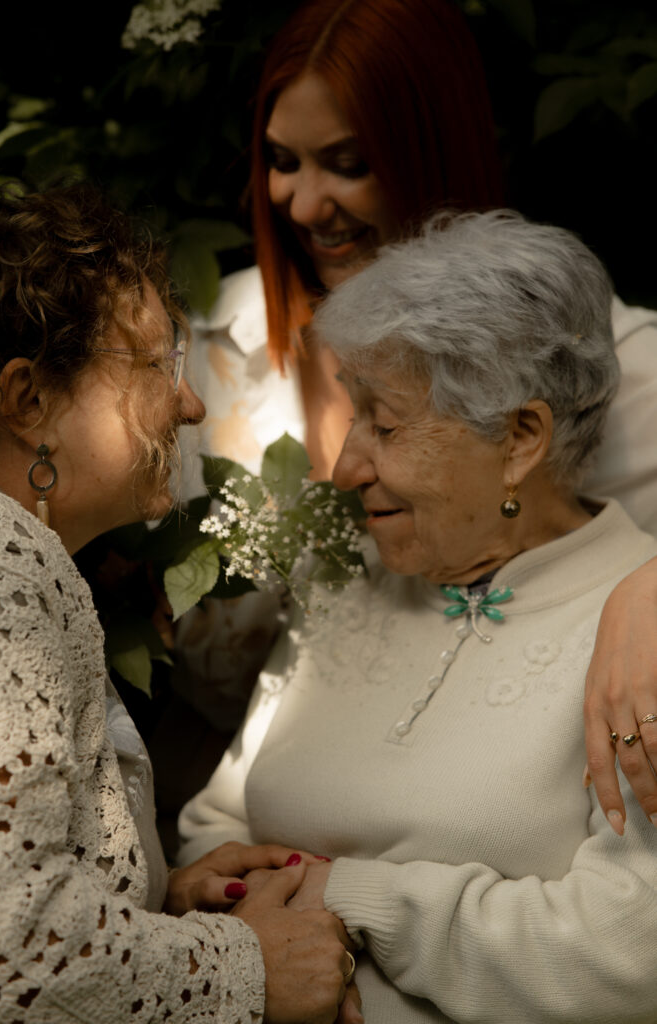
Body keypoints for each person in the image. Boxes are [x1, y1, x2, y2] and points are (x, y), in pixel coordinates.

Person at [174, 0, 657, 825]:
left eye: (347, 162)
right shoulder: (214, 346)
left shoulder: (597, 354)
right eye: (281, 160)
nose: (299, 203)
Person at [177, 210, 657, 1023]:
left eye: (386, 425)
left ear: (519, 439)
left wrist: (353, 898)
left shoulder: (636, 635)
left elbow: (627, 953)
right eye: (352, 414)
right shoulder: (349, 580)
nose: (342, 467)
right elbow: (217, 819)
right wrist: (222, 898)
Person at [0, 183, 355, 1024]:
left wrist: (151, 898)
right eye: (157, 366)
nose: (191, 406)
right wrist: (243, 969)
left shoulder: (17, 559)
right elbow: (4, 950)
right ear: (28, 402)